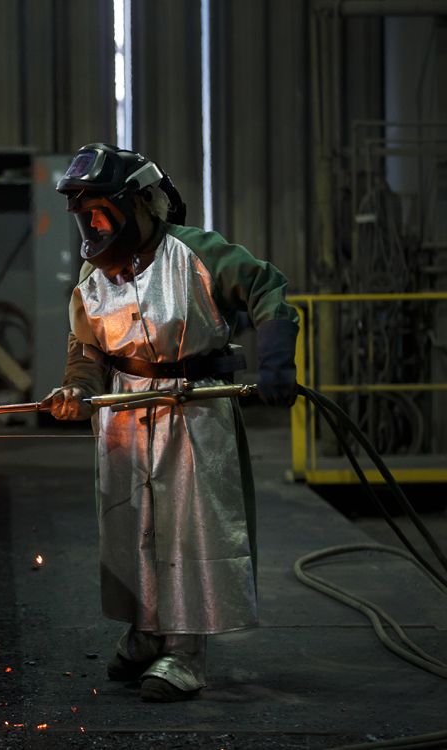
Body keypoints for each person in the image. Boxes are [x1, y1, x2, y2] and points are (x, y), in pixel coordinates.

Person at [44, 143, 299, 702]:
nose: (95, 224)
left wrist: (277, 362)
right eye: (88, 215)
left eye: (104, 211)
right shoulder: (92, 276)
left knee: (189, 530)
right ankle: (146, 631)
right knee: (132, 527)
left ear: (140, 206)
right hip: (124, 411)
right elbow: (86, 353)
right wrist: (76, 389)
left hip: (194, 411)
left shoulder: (196, 253)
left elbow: (267, 288)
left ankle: (184, 653)